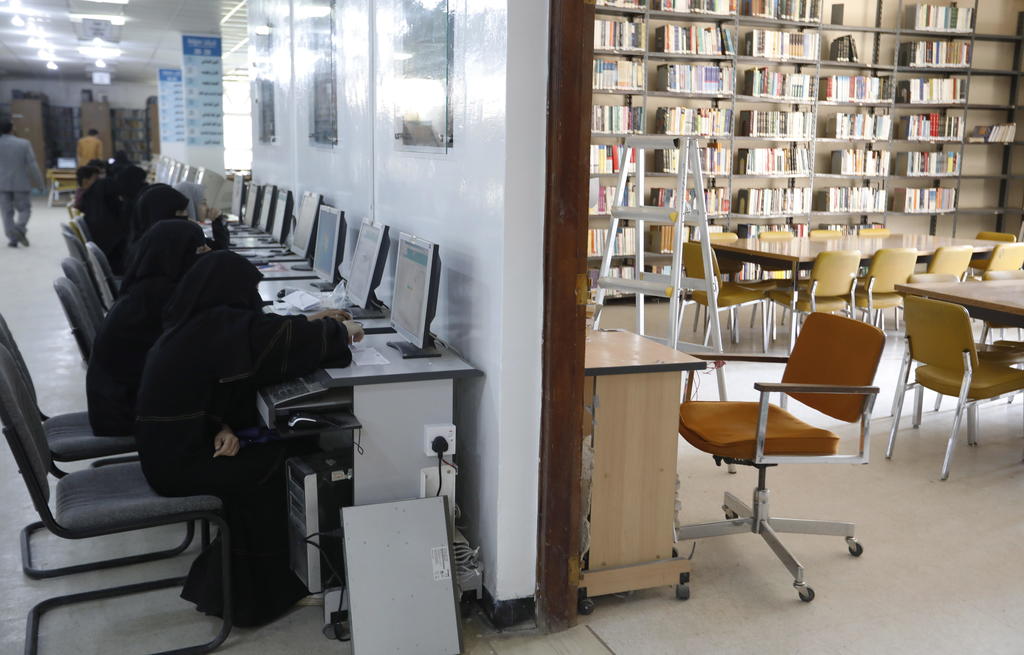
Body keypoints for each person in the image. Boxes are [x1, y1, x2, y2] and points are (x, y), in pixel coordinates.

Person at [135, 251, 363, 626]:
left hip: (173, 450)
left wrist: (221, 426)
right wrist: (343, 330)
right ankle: (259, 589)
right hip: (180, 466)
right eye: (250, 291)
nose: (254, 300)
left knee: (286, 445)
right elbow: (274, 338)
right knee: (285, 461)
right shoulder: (220, 329)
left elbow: (262, 335)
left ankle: (286, 568)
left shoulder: (194, 323)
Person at [86, 221, 210, 436]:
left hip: (113, 403)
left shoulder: (147, 285)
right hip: (124, 413)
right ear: (177, 254)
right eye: (201, 249)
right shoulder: (160, 299)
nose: (208, 254)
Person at [0, 120, 44, 248]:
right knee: (25, 209)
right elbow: (32, 165)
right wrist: (40, 183)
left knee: (6, 212)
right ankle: (19, 230)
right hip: (20, 182)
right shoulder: (24, 143)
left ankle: (13, 238)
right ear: (12, 128)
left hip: (2, 184)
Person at [174, 181, 230, 249]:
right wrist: (217, 220)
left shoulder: (179, 228)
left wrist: (218, 220)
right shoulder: (187, 233)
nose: (207, 207)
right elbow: (221, 248)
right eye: (203, 203)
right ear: (191, 204)